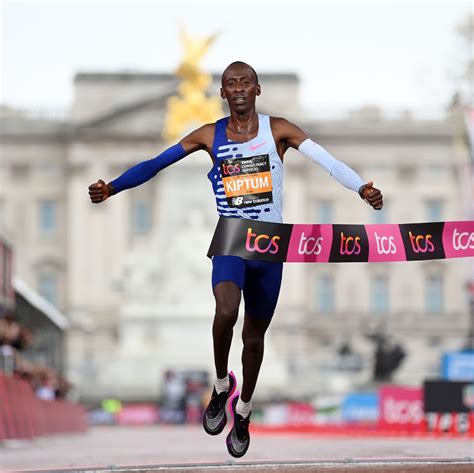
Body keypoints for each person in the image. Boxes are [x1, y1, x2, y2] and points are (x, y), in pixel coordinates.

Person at [88, 61, 383, 457]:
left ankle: (243, 410)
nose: (239, 87)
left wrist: (360, 186)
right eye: (231, 83)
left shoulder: (278, 129)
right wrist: (113, 187)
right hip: (231, 238)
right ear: (223, 93)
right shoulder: (209, 135)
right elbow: (155, 165)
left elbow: (326, 161)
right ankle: (221, 384)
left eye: (246, 82)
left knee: (254, 338)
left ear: (257, 89)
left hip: (270, 246)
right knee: (225, 312)